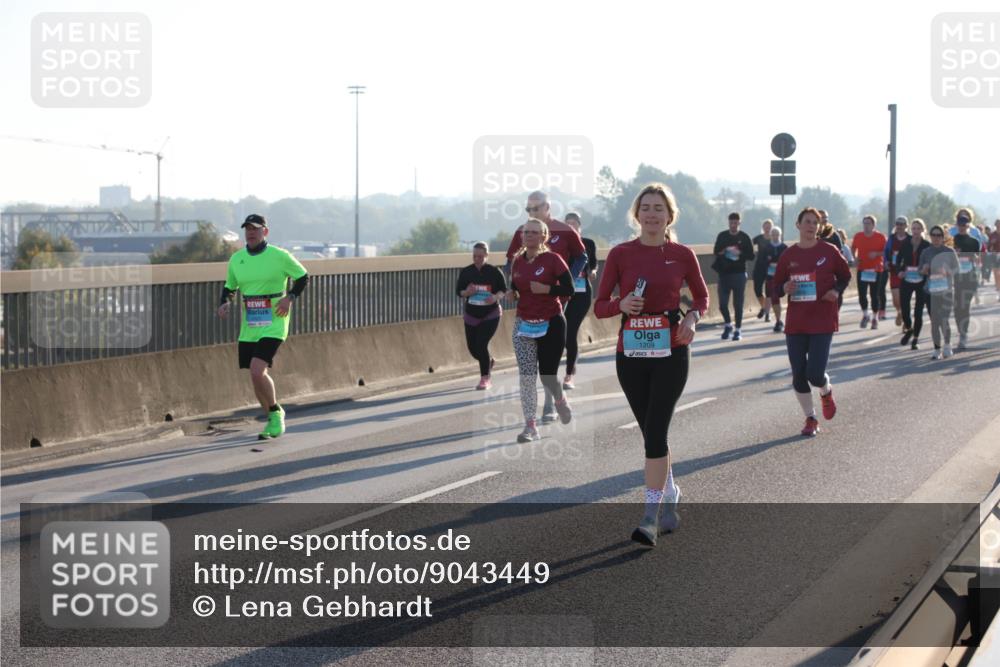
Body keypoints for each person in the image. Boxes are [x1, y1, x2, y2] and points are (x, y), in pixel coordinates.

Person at [594, 183, 708, 547]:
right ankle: (671, 491)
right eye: (646, 207)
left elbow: (702, 297)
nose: (652, 214)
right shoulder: (620, 254)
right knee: (650, 433)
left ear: (669, 215)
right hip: (631, 353)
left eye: (659, 208)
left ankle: (649, 515)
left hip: (671, 349)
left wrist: (691, 319)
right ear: (636, 214)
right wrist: (621, 305)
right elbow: (600, 306)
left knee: (656, 432)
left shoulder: (682, 254)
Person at [218, 214, 309, 440]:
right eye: (247, 228)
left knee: (258, 369)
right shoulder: (237, 259)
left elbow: (303, 277)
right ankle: (271, 418)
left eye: (255, 229)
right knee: (255, 375)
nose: (251, 232)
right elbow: (230, 286)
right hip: (251, 324)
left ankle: (276, 413)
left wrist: (290, 298)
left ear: (265, 232)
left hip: (275, 320)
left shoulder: (279, 256)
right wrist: (225, 302)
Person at [506, 191, 588, 423]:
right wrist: (512, 286)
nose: (532, 213)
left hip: (557, 301)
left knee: (548, 361)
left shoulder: (564, 230)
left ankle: (550, 405)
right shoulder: (523, 232)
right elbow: (510, 262)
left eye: (536, 208)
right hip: (529, 306)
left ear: (548, 207)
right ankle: (535, 418)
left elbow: (581, 257)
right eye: (528, 210)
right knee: (530, 369)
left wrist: (566, 281)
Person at [772, 208, 852, 438]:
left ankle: (826, 390)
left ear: (819, 227)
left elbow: (845, 276)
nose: (811, 226)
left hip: (822, 319)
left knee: (815, 374)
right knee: (798, 374)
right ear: (797, 225)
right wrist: (784, 288)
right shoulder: (788, 255)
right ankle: (811, 418)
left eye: (815, 223)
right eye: (807, 222)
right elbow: (775, 286)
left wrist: (836, 291)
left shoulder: (829, 251)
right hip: (796, 322)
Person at [509, 218, 575, 443]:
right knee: (527, 377)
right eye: (526, 232)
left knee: (547, 376)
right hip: (524, 324)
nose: (529, 235)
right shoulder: (518, 261)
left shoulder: (553, 260)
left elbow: (570, 289)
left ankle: (559, 400)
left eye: (534, 232)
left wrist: (547, 289)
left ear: (544, 236)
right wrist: (512, 294)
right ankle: (530, 427)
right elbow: (516, 288)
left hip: (551, 323)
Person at [456, 242, 507, 389]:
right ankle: (488, 361)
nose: (477, 259)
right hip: (471, 314)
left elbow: (503, 290)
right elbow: (459, 291)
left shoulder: (495, 272)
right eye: (474, 256)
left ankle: (485, 378)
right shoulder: (466, 272)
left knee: (481, 344)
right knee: (473, 349)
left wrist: (495, 297)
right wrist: (467, 293)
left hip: (490, 314)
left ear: (486, 255)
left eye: (480, 256)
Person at [562, 212, 598, 390]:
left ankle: (568, 375)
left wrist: (592, 272)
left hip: (582, 294)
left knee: (570, 331)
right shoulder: (560, 244)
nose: (570, 226)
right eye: (567, 223)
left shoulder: (588, 243)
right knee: (560, 334)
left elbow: (593, 263)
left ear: (580, 226)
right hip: (562, 293)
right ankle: (570, 362)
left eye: (574, 223)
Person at [712, 212, 754, 341]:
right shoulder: (723, 236)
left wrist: (739, 252)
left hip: (739, 274)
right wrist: (725, 250)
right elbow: (715, 251)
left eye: (735, 223)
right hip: (724, 274)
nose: (733, 225)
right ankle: (728, 324)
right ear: (728, 222)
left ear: (739, 223)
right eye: (731, 223)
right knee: (722, 304)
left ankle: (738, 330)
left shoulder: (744, 237)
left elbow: (751, 256)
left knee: (738, 304)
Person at [920, 225, 960, 360]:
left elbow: (957, 270)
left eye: (939, 235)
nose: (936, 238)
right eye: (934, 235)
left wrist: (948, 270)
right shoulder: (926, 252)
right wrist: (924, 269)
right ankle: (937, 349)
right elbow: (920, 270)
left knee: (944, 319)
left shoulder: (949, 251)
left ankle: (947, 345)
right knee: (934, 321)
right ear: (930, 236)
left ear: (943, 237)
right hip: (931, 290)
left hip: (947, 290)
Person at [894, 219, 930, 350]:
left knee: (918, 311)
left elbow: (931, 261)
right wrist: (899, 272)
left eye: (918, 228)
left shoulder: (927, 245)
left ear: (922, 230)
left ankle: (915, 339)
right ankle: (909, 328)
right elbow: (897, 261)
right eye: (913, 228)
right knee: (904, 309)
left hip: (922, 281)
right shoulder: (905, 244)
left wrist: (927, 268)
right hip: (907, 279)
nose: (915, 231)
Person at [951, 209, 982, 350]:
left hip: (970, 277)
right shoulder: (952, 240)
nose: (962, 227)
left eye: (964, 224)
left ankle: (963, 335)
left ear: (968, 225)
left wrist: (974, 258)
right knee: (957, 308)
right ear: (957, 225)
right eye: (960, 224)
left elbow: (979, 259)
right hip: (956, 277)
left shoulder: (974, 241)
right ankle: (960, 331)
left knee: (965, 306)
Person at [851, 215, 887, 330]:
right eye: (864, 223)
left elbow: (886, 252)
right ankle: (866, 315)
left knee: (874, 295)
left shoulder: (880, 237)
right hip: (862, 269)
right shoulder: (858, 236)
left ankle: (875, 317)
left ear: (873, 225)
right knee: (862, 294)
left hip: (876, 270)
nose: (866, 226)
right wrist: (855, 258)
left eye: (868, 223)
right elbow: (853, 248)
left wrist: (876, 254)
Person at [884, 217, 911, 328]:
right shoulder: (891, 238)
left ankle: (906, 320)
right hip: (894, 270)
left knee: (905, 297)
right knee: (896, 299)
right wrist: (885, 262)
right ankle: (899, 311)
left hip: (907, 272)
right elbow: (886, 252)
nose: (899, 226)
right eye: (898, 224)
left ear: (906, 226)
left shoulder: (910, 239)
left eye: (902, 224)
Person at [764, 226, 787, 332]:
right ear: (770, 236)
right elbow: (761, 263)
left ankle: (782, 320)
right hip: (770, 277)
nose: (775, 236)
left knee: (778, 297)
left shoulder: (784, 247)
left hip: (783, 277)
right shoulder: (766, 247)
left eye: (777, 234)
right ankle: (778, 320)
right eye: (773, 234)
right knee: (773, 298)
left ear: (780, 235)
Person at [751, 219, 774, 321]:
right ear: (763, 227)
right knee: (757, 290)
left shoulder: (774, 238)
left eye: (769, 226)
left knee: (769, 291)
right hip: (759, 266)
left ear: (771, 227)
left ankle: (767, 313)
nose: (767, 228)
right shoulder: (759, 238)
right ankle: (764, 307)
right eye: (765, 226)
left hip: (770, 267)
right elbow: (748, 243)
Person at [989, 220, 1000, 297]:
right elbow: (988, 247)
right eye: (997, 225)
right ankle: (998, 288)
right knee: (996, 274)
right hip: (995, 255)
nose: (998, 227)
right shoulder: (992, 235)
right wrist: (991, 247)